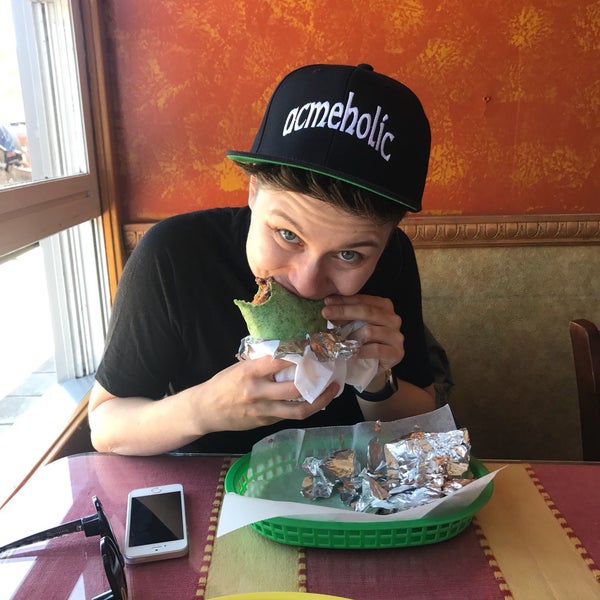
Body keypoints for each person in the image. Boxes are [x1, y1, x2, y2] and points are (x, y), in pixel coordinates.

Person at [89, 63, 438, 456]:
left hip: (351, 486)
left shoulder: (393, 259)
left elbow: (423, 427)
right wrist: (203, 409)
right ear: (253, 190)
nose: (307, 282)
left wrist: (376, 379)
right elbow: (105, 424)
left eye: (348, 254)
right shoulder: (174, 254)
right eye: (287, 234)